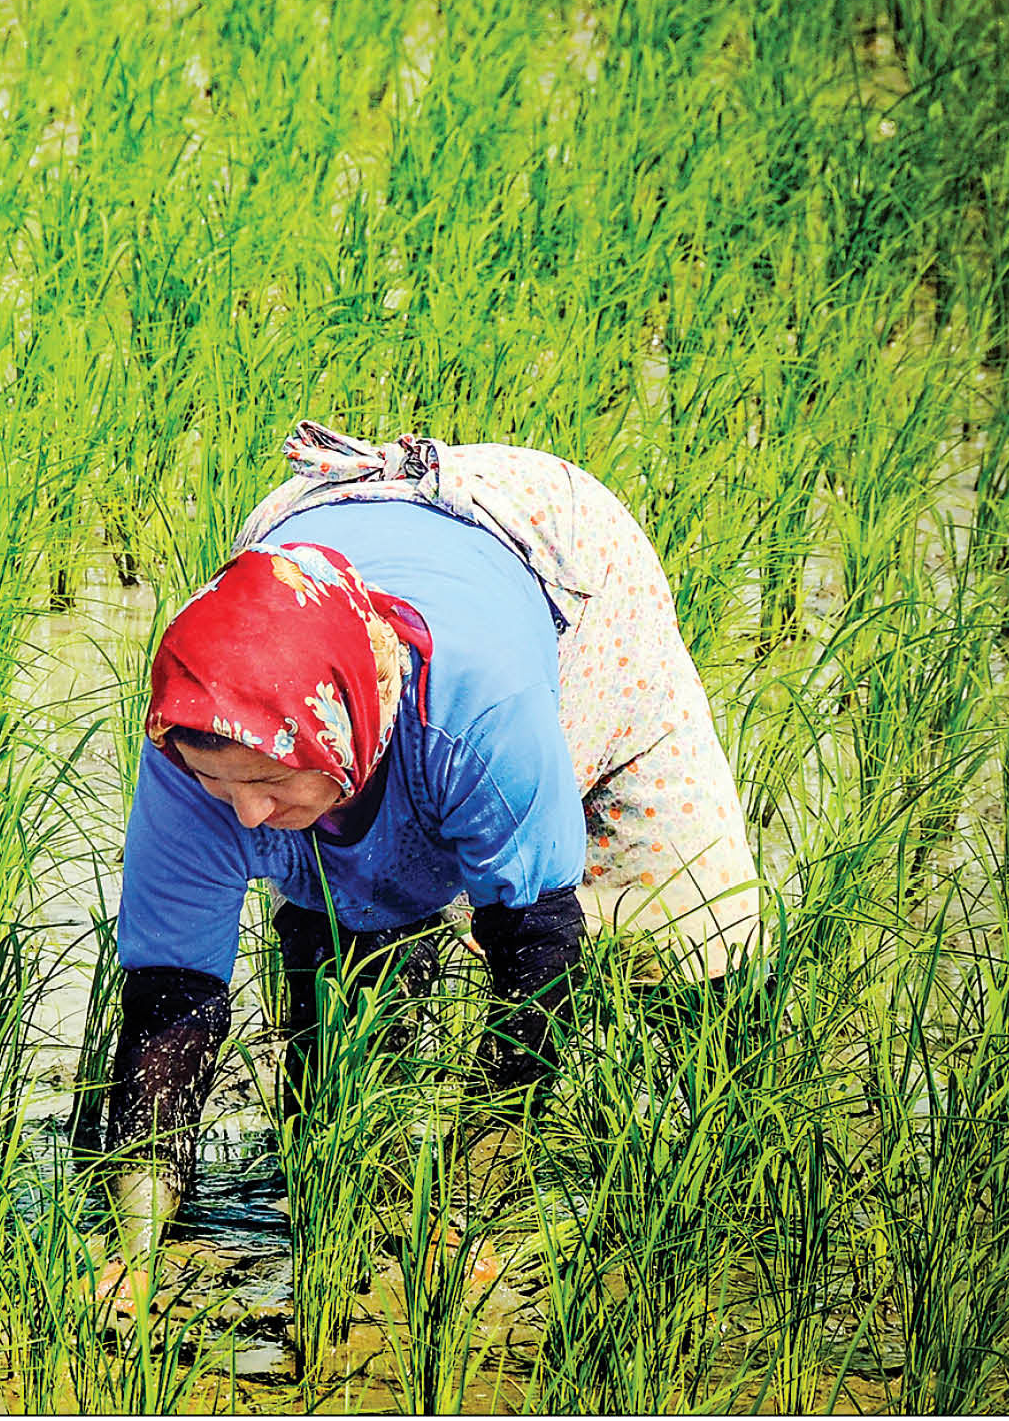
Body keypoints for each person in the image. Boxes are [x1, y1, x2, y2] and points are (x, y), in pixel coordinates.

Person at [96, 420, 764, 1286]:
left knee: (684, 941)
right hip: (300, 595)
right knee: (343, 1018)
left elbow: (536, 949)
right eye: (226, 790)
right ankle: (355, 1199)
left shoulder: (482, 709)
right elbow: (169, 1001)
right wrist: (136, 1256)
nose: (250, 815)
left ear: (338, 732)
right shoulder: (196, 745)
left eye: (268, 784)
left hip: (563, 570)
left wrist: (480, 1181)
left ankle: (741, 1185)